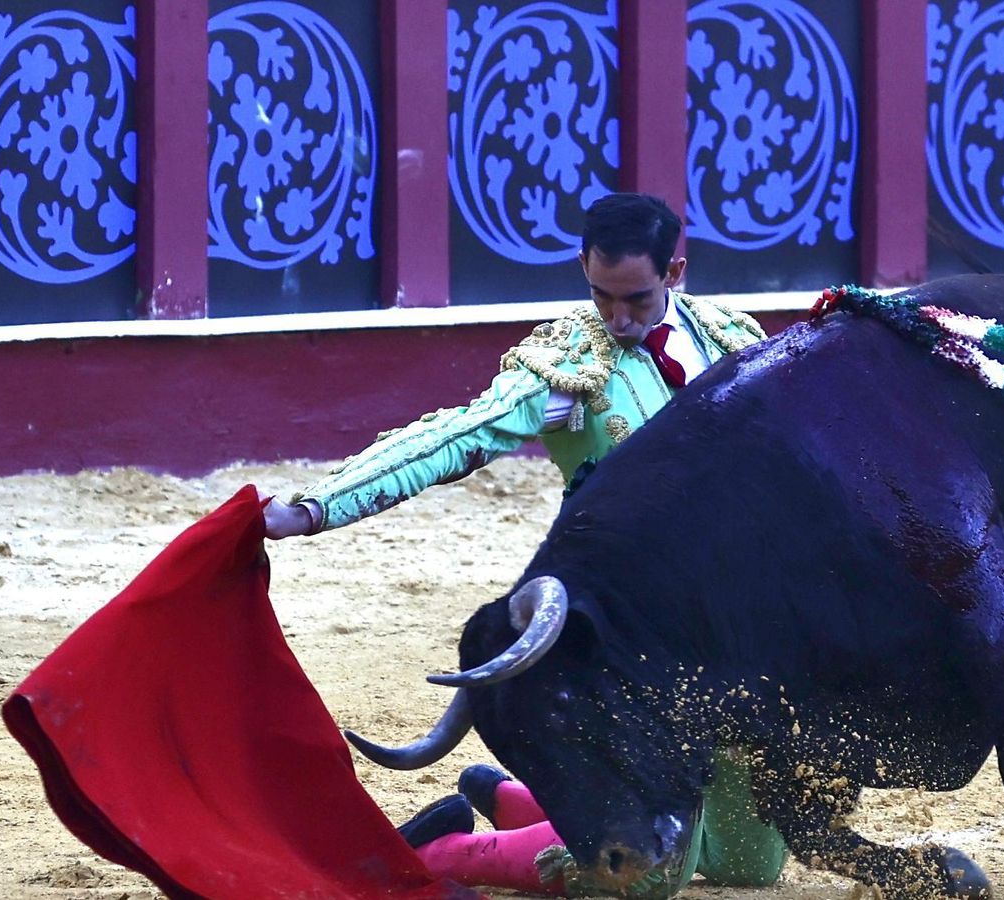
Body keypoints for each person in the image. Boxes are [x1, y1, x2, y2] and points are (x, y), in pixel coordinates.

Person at [262, 192, 788, 897]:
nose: (618, 318)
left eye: (634, 299)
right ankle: (447, 850)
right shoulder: (568, 367)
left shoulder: (734, 338)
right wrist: (318, 505)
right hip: (628, 642)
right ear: (582, 269)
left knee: (751, 869)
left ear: (676, 271)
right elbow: (458, 434)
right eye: (600, 295)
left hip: (736, 634)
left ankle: (526, 806)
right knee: (643, 875)